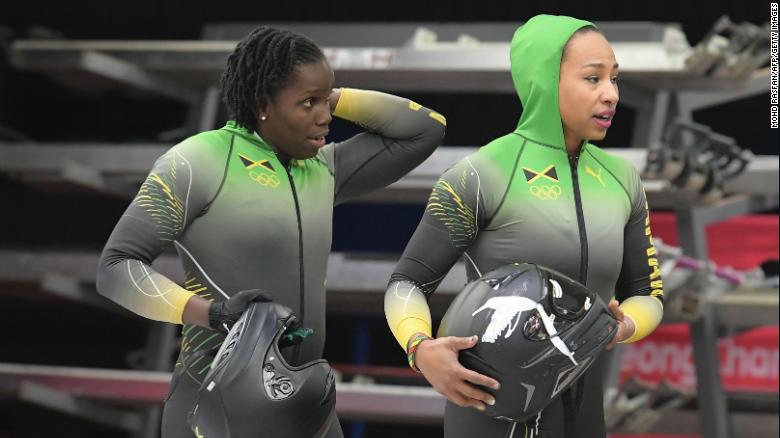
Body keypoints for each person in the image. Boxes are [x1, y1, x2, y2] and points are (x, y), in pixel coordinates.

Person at [96, 26, 446, 438]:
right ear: (263, 103)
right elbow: (116, 268)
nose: (325, 117)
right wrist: (210, 313)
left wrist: (323, 92)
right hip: (218, 400)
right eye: (308, 103)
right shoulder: (198, 161)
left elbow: (425, 128)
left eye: (326, 101)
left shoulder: (324, 167)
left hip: (303, 401)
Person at [384, 14, 664, 438]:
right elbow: (407, 283)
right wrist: (420, 348)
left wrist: (623, 325)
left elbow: (647, 293)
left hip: (584, 415)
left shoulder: (622, 179)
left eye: (614, 79)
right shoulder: (482, 174)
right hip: (487, 413)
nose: (611, 94)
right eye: (593, 78)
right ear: (544, 81)